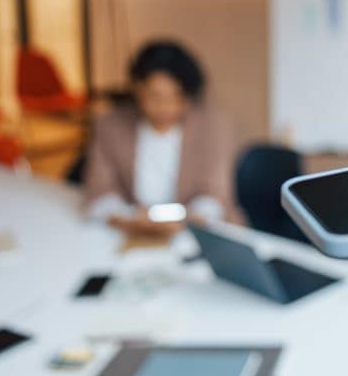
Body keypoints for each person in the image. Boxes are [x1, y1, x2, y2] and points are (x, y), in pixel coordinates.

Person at [84, 40, 237, 235]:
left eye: (177, 97)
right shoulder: (112, 125)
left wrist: (187, 221)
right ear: (138, 89)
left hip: (198, 232)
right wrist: (125, 218)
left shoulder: (212, 126)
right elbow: (99, 187)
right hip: (131, 231)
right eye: (155, 97)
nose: (166, 108)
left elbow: (216, 194)